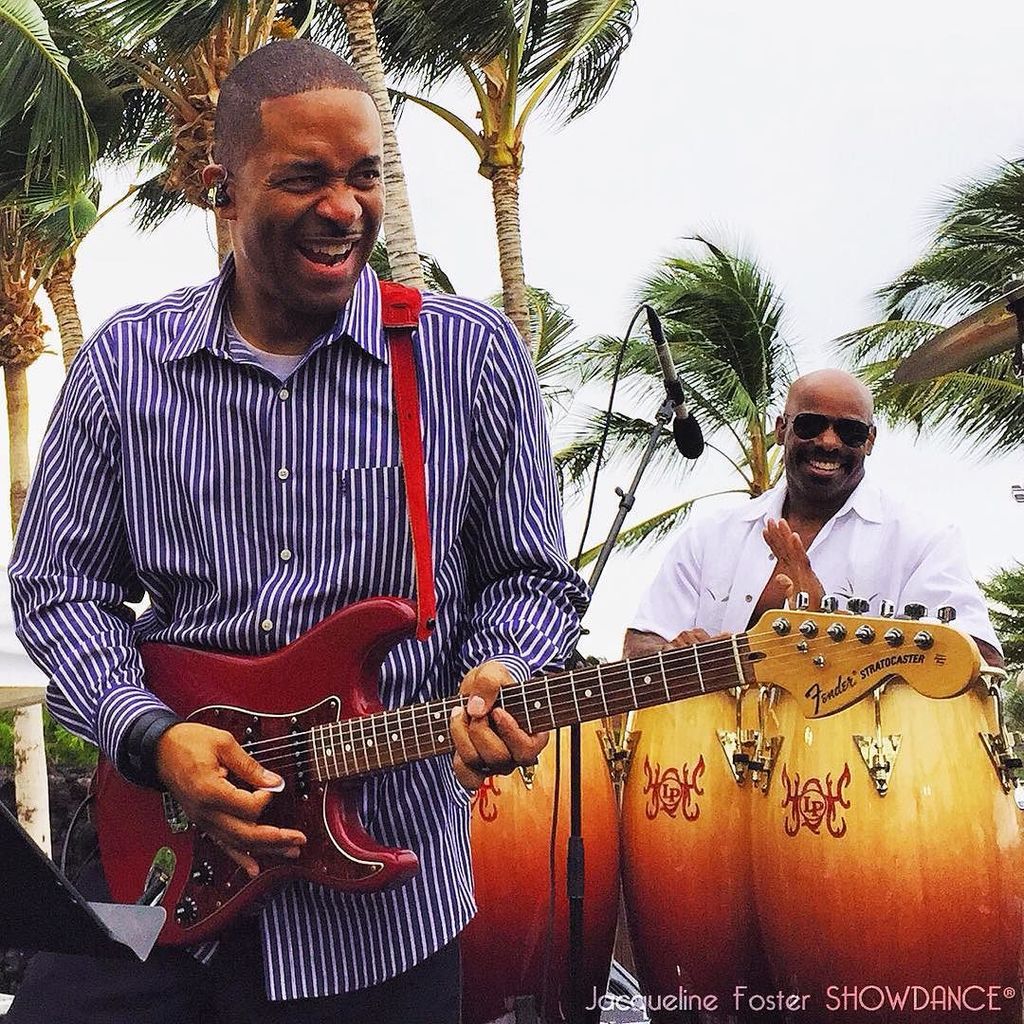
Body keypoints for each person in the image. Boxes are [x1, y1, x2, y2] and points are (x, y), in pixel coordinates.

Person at [6, 39, 587, 1024]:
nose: (344, 207)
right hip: (151, 855)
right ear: (218, 188)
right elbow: (58, 587)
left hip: (377, 921)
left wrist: (500, 670)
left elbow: (530, 577)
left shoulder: (466, 357)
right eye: (303, 177)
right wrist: (152, 736)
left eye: (363, 175)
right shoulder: (123, 368)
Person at [626, 368, 1002, 664]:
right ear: (781, 429)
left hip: (851, 758)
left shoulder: (923, 540)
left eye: (850, 431)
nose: (828, 442)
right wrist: (688, 659)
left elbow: (979, 656)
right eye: (810, 425)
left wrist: (827, 621)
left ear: (870, 441)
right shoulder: (711, 535)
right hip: (712, 754)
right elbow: (642, 640)